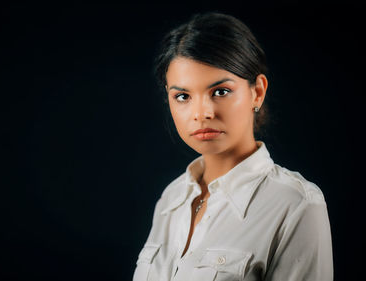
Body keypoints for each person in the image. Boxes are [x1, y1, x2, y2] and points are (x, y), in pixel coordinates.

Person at [133, 12, 333, 281]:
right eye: (182, 96)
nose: (201, 112)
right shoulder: (171, 199)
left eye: (220, 92)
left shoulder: (296, 204)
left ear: (257, 92)